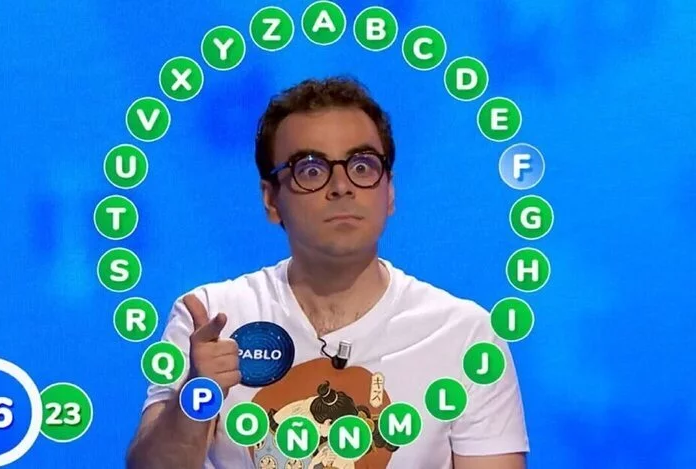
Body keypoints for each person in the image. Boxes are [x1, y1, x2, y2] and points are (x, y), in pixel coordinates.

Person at [125, 76, 529, 469]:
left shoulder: (466, 336)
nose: (341, 186)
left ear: (389, 191)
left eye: (362, 166)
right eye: (312, 170)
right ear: (271, 200)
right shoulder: (210, 318)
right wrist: (197, 395)